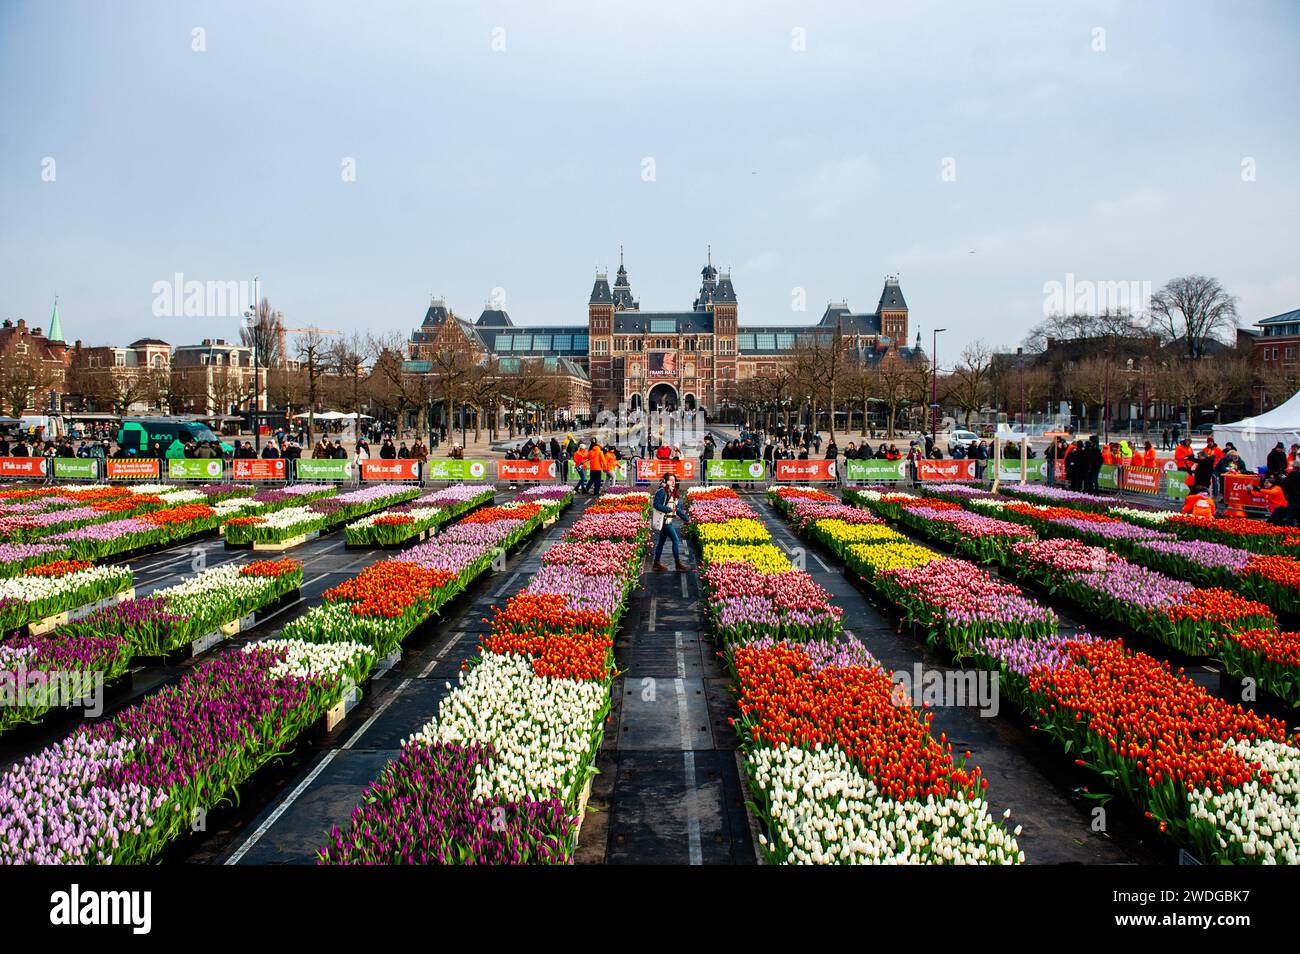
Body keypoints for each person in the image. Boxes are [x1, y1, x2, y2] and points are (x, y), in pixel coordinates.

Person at [651, 473, 690, 573]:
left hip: (668, 520)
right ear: (666, 481)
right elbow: (656, 504)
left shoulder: (673, 492)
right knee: (675, 540)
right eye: (671, 480)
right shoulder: (662, 492)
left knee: (661, 542)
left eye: (674, 480)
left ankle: (656, 563)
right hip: (664, 521)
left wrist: (687, 519)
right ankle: (677, 564)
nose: (673, 482)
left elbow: (677, 509)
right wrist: (668, 509)